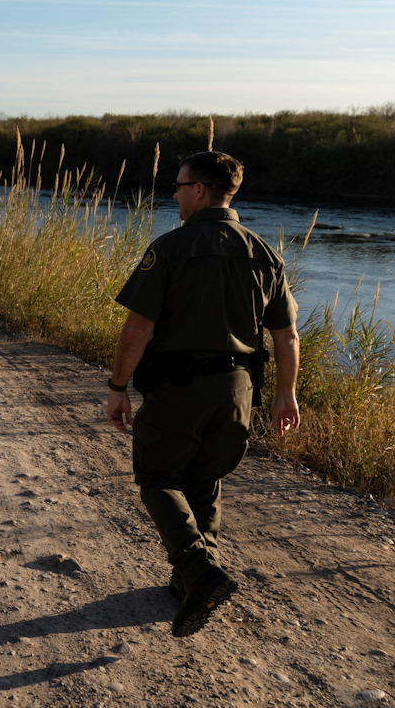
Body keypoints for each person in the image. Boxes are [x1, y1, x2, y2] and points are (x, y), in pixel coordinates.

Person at [106, 150, 300, 638]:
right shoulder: (265, 252)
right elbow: (286, 336)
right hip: (239, 389)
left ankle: (200, 571)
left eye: (177, 185)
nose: (173, 194)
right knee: (206, 476)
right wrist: (286, 395)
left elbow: (138, 327)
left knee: (158, 477)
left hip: (180, 386)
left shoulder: (171, 248)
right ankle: (187, 582)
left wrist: (118, 386)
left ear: (199, 190)